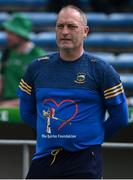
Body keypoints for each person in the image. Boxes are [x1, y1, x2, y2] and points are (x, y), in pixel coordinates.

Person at [18, 5, 128, 179]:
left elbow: (120, 118)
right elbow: (26, 112)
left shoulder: (102, 70)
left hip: (84, 160)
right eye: (60, 26)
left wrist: (89, 138)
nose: (65, 32)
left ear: (85, 31)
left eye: (72, 26)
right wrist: (52, 135)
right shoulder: (36, 67)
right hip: (45, 158)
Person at [0, 13, 47, 107]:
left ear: (21, 35)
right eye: (7, 33)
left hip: (27, 107)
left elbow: (40, 93)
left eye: (11, 33)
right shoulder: (6, 54)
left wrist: (10, 104)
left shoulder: (39, 57)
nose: (7, 37)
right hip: (5, 105)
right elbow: (1, 81)